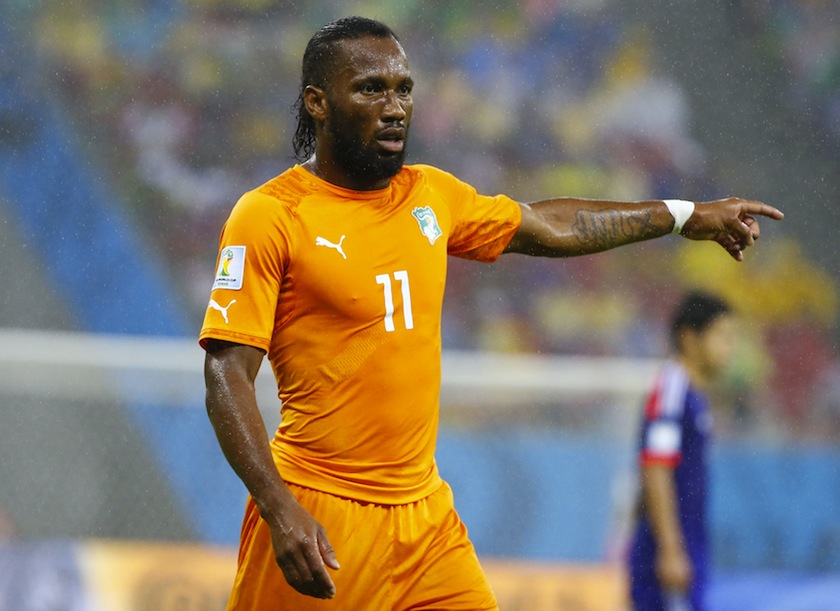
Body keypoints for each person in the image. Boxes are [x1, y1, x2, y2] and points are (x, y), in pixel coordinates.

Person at [199, 16, 783, 610]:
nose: (396, 106)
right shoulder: (270, 216)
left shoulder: (430, 195)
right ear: (317, 102)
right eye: (371, 88)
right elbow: (226, 374)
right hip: (321, 509)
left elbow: (552, 226)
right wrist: (279, 508)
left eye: (403, 88)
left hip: (425, 520)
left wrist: (683, 214)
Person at [628, 291, 735, 610]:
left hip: (686, 546)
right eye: (722, 335)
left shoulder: (693, 394)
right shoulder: (672, 387)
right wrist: (670, 550)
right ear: (689, 338)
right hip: (667, 553)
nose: (730, 347)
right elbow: (656, 467)